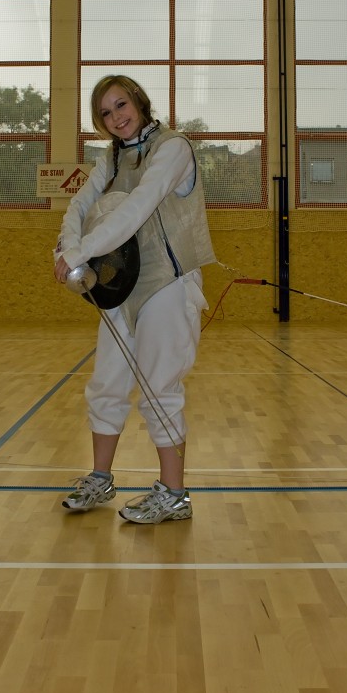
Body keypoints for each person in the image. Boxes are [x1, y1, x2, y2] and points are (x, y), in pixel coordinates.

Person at [53, 75, 216, 524]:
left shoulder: (173, 148)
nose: (116, 117)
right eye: (105, 113)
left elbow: (137, 207)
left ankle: (174, 495)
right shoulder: (110, 159)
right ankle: (100, 478)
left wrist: (80, 253)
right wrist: (66, 247)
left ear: (139, 102)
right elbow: (78, 208)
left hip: (168, 284)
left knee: (159, 388)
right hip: (120, 287)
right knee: (106, 383)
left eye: (121, 105)